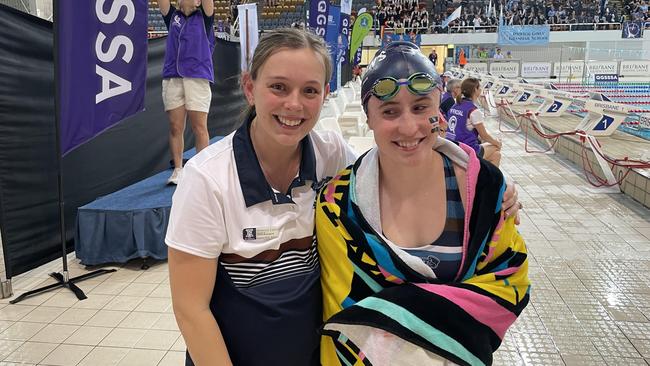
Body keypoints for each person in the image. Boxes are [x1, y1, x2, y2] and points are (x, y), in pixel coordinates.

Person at [166, 29, 521, 366]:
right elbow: (190, 309)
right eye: (278, 87)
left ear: (325, 93)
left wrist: (488, 186)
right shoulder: (207, 179)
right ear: (249, 87)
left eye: (309, 90)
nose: (294, 105)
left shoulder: (332, 156)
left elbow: (398, 159)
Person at [316, 41, 529, 366]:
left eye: (420, 107)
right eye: (389, 111)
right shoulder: (337, 204)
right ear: (369, 117)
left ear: (439, 112)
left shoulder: (485, 190)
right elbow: (344, 311)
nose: (408, 127)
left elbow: (510, 277)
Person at [159, 0, 215, 185]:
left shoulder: (205, 17)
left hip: (197, 77)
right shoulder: (172, 17)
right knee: (175, 127)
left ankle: (202, 171)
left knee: (199, 127)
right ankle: (178, 170)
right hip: (173, 77)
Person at [446, 77, 503, 166]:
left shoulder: (455, 106)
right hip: (466, 151)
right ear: (475, 90)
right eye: (479, 87)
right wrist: (497, 143)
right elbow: (484, 136)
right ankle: (483, 176)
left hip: (451, 146)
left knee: (496, 156)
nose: (481, 89)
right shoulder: (473, 111)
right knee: (496, 147)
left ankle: (483, 176)